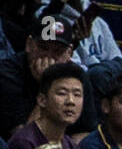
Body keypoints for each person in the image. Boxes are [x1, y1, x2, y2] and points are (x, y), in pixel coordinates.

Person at [0, 12, 94, 140]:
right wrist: (46, 84)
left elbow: (84, 131)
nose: (48, 56)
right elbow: (22, 141)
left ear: (69, 53)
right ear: (29, 44)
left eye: (57, 51)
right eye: (43, 48)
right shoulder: (7, 74)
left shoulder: (77, 76)